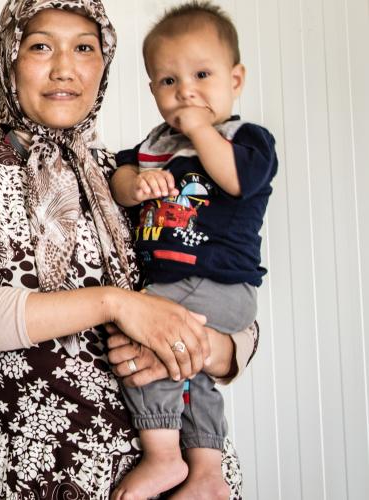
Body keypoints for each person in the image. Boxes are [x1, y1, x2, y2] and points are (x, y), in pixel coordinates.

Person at [0, 0, 258, 497]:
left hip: (185, 481)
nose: (64, 68)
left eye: (85, 48)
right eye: (41, 46)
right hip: (42, 480)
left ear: (104, 65)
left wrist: (191, 350)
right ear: (10, 58)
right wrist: (118, 304)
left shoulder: (130, 176)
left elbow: (230, 310)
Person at [107, 3, 277, 499]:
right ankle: (206, 471)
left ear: (235, 78)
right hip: (181, 283)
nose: (185, 91)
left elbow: (236, 179)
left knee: (147, 337)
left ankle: (162, 455)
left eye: (202, 74)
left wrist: (201, 130)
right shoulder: (156, 143)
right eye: (167, 81)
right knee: (193, 373)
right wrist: (135, 184)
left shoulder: (246, 140)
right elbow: (118, 174)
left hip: (219, 282)